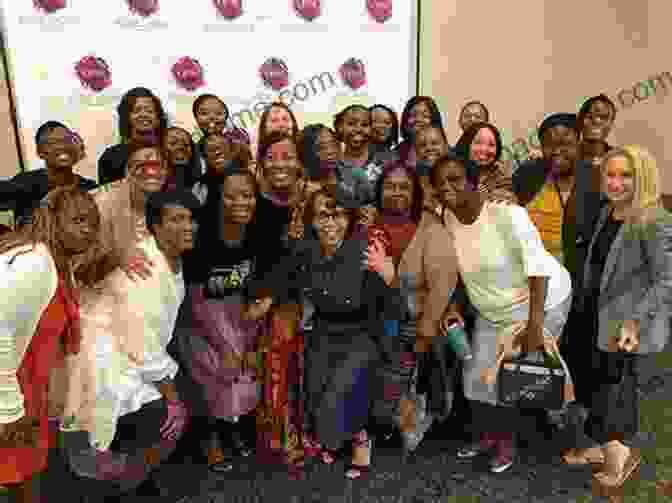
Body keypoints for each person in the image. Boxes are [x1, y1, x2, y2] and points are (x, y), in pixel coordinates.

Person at [244, 187, 407, 480]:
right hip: (323, 329)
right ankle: (338, 437)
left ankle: (360, 438)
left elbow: (395, 307)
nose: (331, 223)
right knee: (317, 395)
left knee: (340, 391)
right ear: (312, 220)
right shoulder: (305, 249)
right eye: (322, 216)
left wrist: (390, 276)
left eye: (339, 215)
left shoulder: (366, 249)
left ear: (351, 218)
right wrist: (268, 299)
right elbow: (283, 280)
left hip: (362, 331)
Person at [432, 150, 574, 473]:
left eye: (454, 179)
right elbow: (455, 269)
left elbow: (538, 269)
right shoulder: (447, 217)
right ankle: (486, 436)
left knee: (511, 375)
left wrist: (535, 327)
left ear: (473, 181)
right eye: (439, 183)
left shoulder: (507, 213)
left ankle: (513, 441)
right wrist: (453, 305)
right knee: (475, 377)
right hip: (491, 308)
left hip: (541, 299)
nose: (446, 187)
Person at [57, 190, 199, 502]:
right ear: (154, 227)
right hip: (102, 363)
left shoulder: (166, 258)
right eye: (176, 219)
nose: (188, 226)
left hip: (122, 356)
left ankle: (129, 478)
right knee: (168, 414)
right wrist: (172, 397)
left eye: (190, 218)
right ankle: (123, 482)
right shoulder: (143, 269)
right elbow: (142, 343)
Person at [574, 146, 672, 490]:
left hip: (627, 323)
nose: (615, 183)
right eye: (610, 175)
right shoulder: (608, 211)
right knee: (595, 381)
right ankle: (602, 447)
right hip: (596, 315)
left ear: (641, 177)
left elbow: (666, 279)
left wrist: (635, 321)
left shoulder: (654, 219)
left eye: (625, 176)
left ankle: (621, 457)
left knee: (615, 388)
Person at [0, 186, 102, 503]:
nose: (88, 230)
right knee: (19, 477)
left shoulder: (55, 262)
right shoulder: (33, 263)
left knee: (26, 477)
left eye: (93, 223)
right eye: (79, 220)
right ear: (52, 220)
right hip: (11, 390)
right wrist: (8, 408)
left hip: (29, 387)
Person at [367, 163, 458, 453]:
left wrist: (426, 330)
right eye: (390, 186)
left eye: (404, 187)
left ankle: (405, 423)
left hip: (416, 319)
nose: (396, 192)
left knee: (402, 373)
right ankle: (378, 422)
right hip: (370, 319)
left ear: (415, 192)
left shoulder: (430, 227)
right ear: (379, 191)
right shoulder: (365, 224)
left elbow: (442, 284)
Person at [177, 165, 262, 473]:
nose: (241, 202)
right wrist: (224, 347)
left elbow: (257, 289)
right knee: (212, 373)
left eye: (248, 195)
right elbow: (196, 301)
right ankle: (210, 438)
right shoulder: (201, 237)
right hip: (201, 319)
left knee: (244, 374)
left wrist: (248, 340)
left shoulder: (256, 232)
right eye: (231, 196)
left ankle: (233, 430)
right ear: (218, 198)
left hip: (238, 314)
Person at [244, 131, 313, 478]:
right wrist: (267, 298)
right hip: (263, 299)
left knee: (300, 367)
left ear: (299, 162)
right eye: (273, 156)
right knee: (272, 368)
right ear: (261, 163)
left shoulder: (311, 199)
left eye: (289, 155)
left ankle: (301, 435)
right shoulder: (250, 201)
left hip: (304, 298)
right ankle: (277, 439)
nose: (281, 162)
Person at [2, 121, 97, 229]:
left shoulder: (89, 187)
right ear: (40, 152)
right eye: (52, 143)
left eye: (67, 140)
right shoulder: (25, 184)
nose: (61, 146)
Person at [97, 87, 168, 186]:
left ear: (158, 119)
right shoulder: (111, 157)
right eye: (137, 110)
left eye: (149, 111)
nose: (143, 114)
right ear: (127, 117)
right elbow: (107, 197)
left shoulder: (168, 153)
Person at [454, 122, 517, 204]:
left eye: (491, 144)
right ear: (467, 144)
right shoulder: (452, 171)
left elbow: (510, 204)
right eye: (478, 143)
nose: (484, 149)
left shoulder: (503, 180)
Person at [395, 96, 444, 170]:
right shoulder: (396, 153)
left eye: (425, 116)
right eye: (413, 115)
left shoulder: (445, 150)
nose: (418, 119)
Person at [161, 127, 204, 197]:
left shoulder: (200, 186)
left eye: (186, 144)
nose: (180, 146)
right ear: (162, 148)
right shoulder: (153, 182)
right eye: (173, 143)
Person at [577, 94, 616, 165]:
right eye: (590, 116)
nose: (596, 121)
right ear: (580, 120)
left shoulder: (619, 158)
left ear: (611, 124)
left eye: (604, 117)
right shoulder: (568, 157)